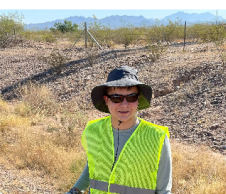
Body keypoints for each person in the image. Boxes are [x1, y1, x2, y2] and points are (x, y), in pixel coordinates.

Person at [65, 66, 172, 194]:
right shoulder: (93, 130)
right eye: (116, 98)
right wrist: (75, 191)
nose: (125, 104)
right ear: (106, 100)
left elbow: (164, 191)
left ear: (138, 99)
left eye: (131, 97)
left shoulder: (156, 137)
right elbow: (93, 167)